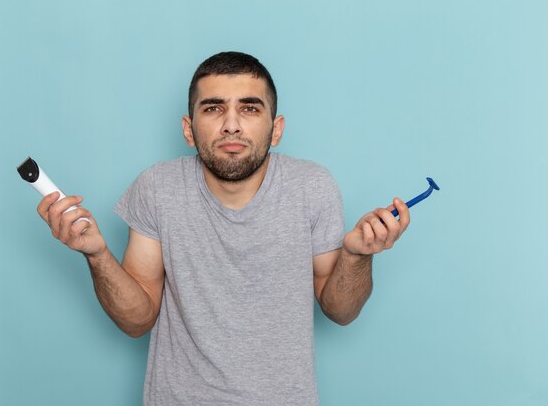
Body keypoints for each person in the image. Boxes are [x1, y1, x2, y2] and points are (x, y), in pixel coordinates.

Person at [37, 52, 410, 405]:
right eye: (213, 108)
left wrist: (358, 256)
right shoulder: (158, 188)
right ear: (188, 128)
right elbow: (137, 321)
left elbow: (340, 311)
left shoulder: (312, 187)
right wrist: (97, 255)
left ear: (276, 129)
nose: (231, 124)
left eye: (249, 108)